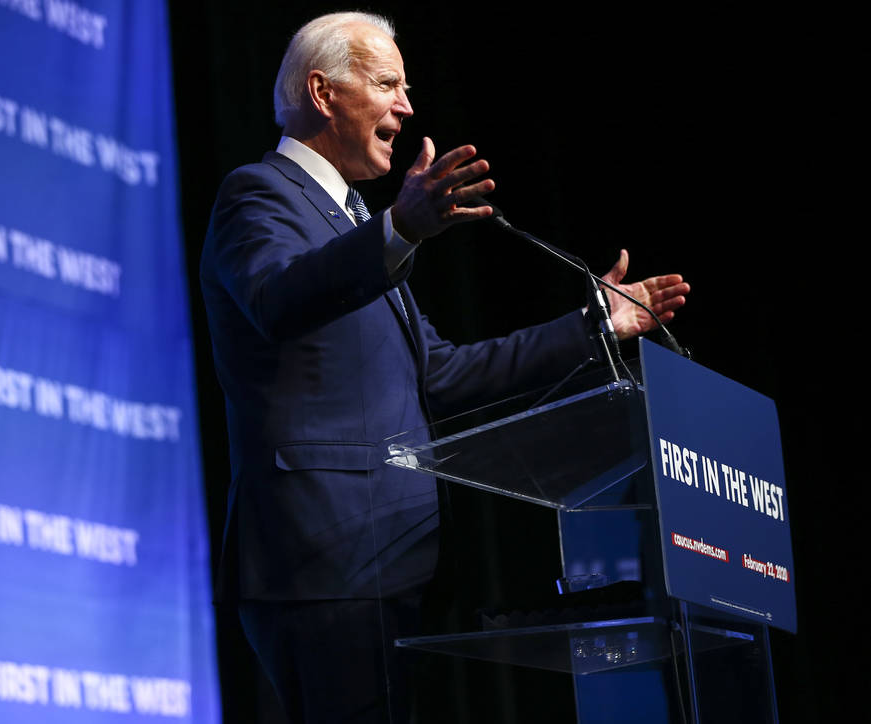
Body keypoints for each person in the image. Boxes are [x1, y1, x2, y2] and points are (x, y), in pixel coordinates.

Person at [199, 12, 688, 723]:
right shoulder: (258, 194)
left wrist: (596, 326)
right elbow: (276, 299)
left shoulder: (351, 222)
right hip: (324, 560)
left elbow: (443, 373)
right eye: (388, 84)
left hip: (396, 562)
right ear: (323, 91)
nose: (406, 105)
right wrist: (398, 229)